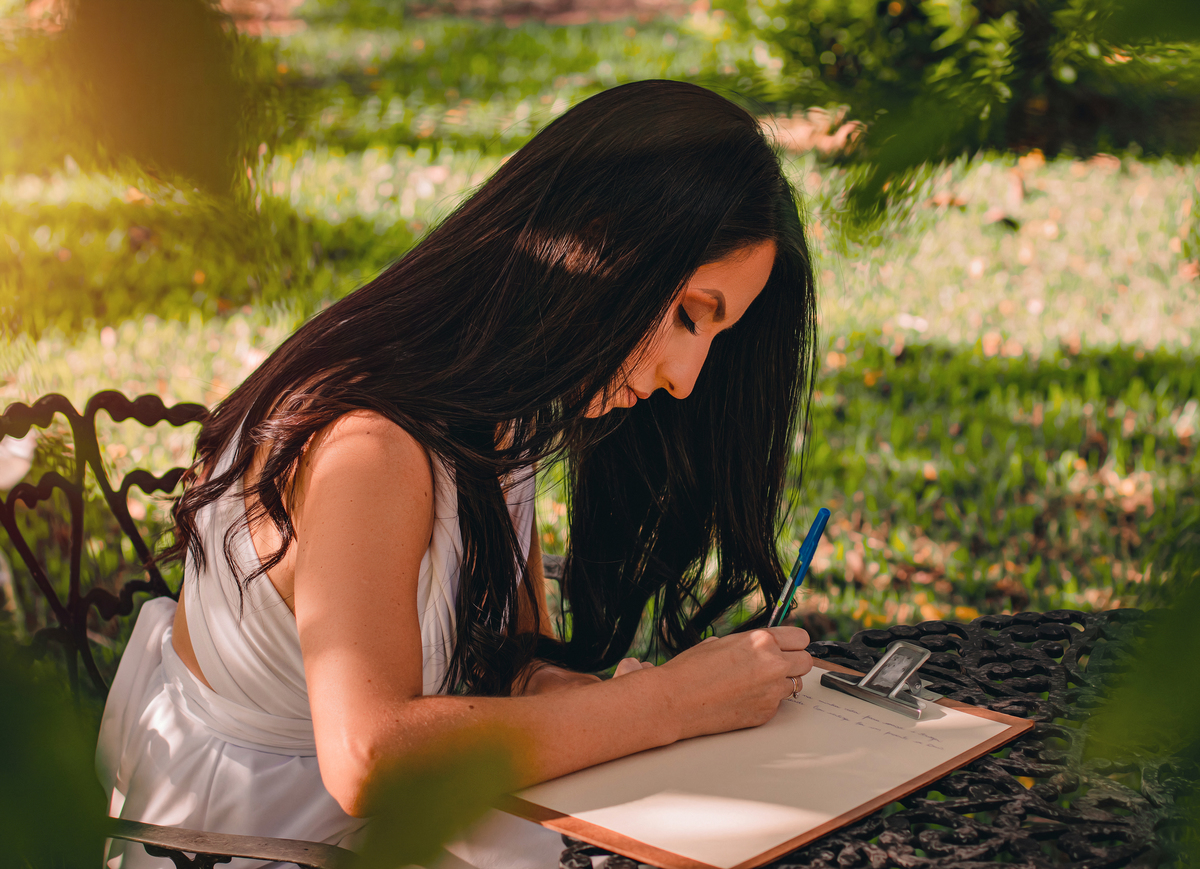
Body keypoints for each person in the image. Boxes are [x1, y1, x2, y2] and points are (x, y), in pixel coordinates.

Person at [96, 79, 819, 869]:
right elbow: (366, 756)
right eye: (689, 314)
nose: (687, 377)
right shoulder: (373, 441)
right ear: (598, 242)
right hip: (252, 845)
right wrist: (663, 705)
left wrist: (625, 705)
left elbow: (511, 669)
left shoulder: (496, 405)